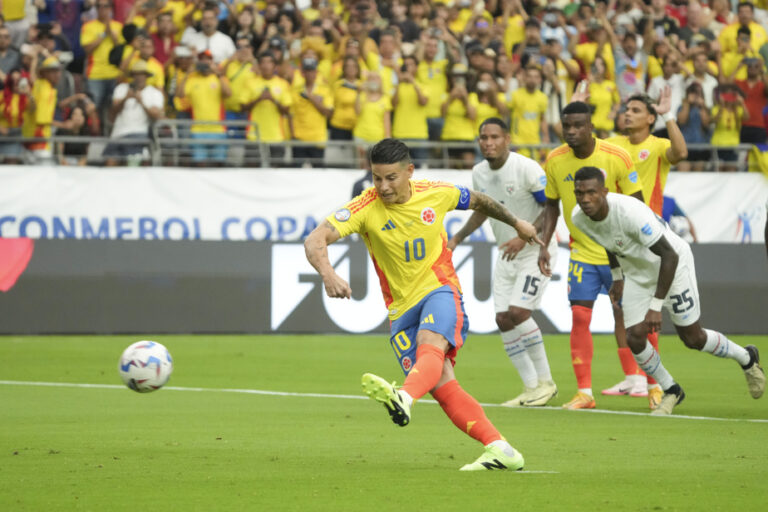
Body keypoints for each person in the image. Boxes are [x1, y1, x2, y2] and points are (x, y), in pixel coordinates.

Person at [304, 137, 541, 471]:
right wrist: (328, 274)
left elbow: (481, 201)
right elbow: (315, 240)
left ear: (409, 172)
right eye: (376, 178)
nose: (382, 187)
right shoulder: (364, 206)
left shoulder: (436, 192)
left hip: (439, 289)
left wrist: (517, 222)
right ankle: (501, 449)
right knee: (444, 387)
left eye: (391, 178)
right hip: (401, 310)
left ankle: (403, 396)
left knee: (429, 345)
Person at [570, 166, 765, 415]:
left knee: (692, 338)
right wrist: (617, 277)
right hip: (638, 273)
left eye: (591, 193)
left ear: (604, 192)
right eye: (579, 193)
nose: (585, 199)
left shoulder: (629, 212)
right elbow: (607, 240)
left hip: (673, 266)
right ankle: (671, 389)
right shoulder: (579, 218)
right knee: (634, 337)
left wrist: (655, 307)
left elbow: (668, 255)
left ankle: (746, 357)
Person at [539, 101, 645, 410]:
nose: (571, 131)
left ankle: (647, 383)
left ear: (591, 128)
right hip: (582, 252)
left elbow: (637, 205)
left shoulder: (617, 156)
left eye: (577, 126)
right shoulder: (555, 160)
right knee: (579, 315)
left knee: (628, 315)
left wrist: (638, 252)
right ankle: (584, 392)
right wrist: (544, 243)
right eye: (566, 125)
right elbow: (550, 205)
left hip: (620, 252)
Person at [448, 118, 558, 407]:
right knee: (502, 319)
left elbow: (551, 207)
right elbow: (484, 209)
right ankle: (531, 387)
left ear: (507, 139)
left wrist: (526, 236)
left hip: (535, 249)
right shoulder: (479, 173)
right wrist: (457, 238)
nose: (488, 142)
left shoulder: (526, 168)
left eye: (494, 137)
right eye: (483, 137)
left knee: (518, 313)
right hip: (507, 251)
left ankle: (547, 383)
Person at [603, 89, 687, 402]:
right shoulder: (613, 144)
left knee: (648, 312)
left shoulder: (658, 145)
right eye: (627, 109)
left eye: (636, 110)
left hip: (649, 237)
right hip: (617, 234)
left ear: (650, 118)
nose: (628, 114)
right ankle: (632, 378)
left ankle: (653, 383)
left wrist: (668, 115)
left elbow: (681, 152)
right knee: (620, 310)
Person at [104, 60, 164, 166]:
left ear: (146, 76)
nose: (139, 77)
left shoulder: (154, 93)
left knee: (132, 166)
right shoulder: (121, 89)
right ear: (132, 76)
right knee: (110, 165)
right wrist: (125, 98)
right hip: (118, 134)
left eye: (141, 74)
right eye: (136, 74)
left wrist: (141, 102)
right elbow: (112, 113)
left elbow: (156, 116)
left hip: (139, 134)